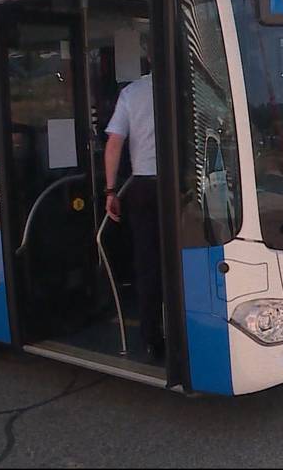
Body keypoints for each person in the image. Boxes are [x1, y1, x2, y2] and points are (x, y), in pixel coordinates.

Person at [103, 37, 163, 360]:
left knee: (148, 263)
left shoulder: (132, 93)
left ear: (148, 59)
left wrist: (111, 190)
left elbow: (114, 144)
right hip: (183, 186)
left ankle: (153, 338)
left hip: (143, 187)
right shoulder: (189, 89)